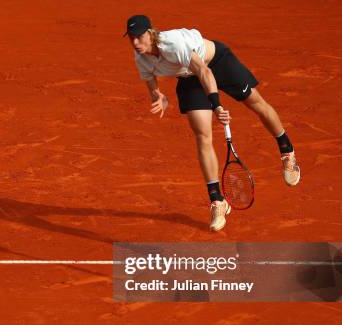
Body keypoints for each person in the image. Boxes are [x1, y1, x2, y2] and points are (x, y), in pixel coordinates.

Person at [124, 15, 300, 232]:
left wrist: (216, 105)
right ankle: (217, 201)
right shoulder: (140, 56)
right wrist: (159, 97)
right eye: (131, 38)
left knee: (256, 103)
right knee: (202, 134)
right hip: (190, 79)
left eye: (139, 37)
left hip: (216, 63)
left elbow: (204, 72)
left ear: (150, 33)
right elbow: (152, 85)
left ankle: (287, 151)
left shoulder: (173, 43)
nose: (135, 43)